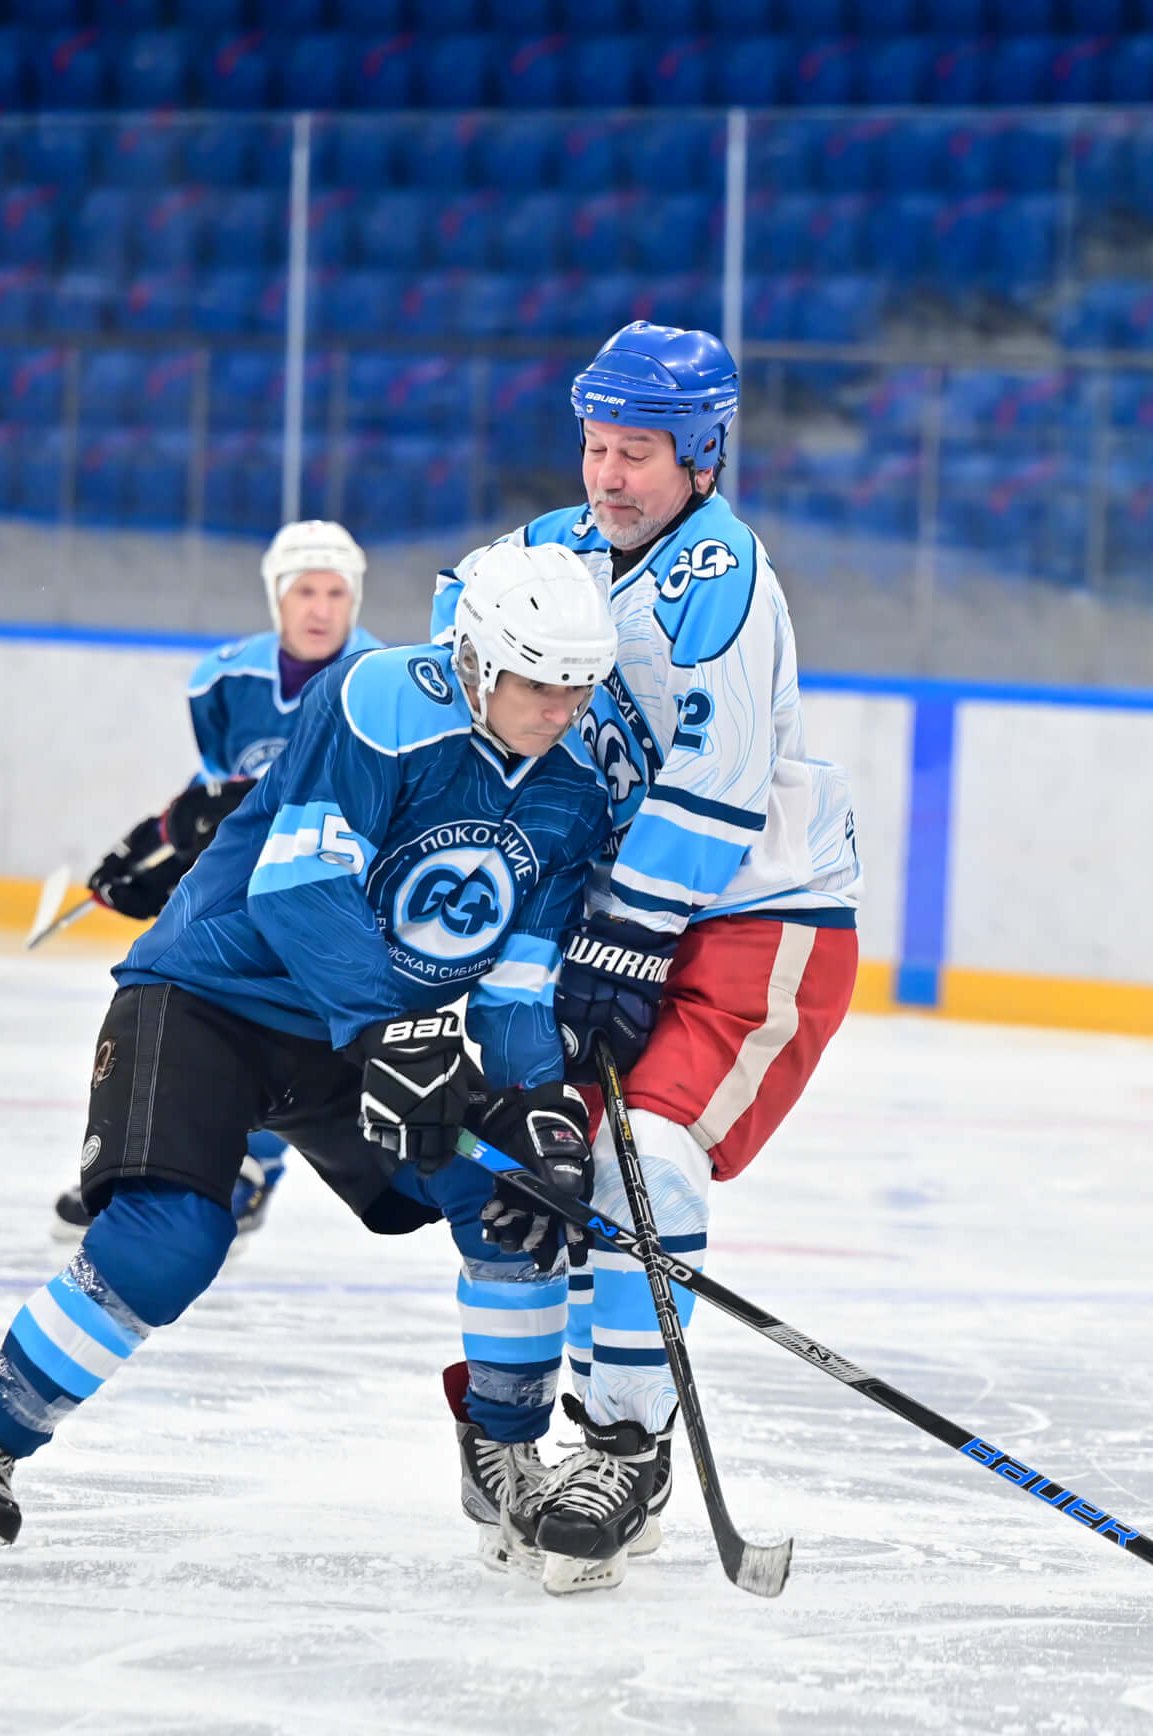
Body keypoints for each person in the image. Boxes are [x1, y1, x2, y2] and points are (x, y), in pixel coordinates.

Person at [0, 542, 622, 1575]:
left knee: (515, 1199)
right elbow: (297, 886)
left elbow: (514, 984)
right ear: (475, 662)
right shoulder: (379, 698)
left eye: (579, 685)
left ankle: (506, 1453)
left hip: (361, 1037)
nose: (563, 707)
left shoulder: (572, 791)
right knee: (172, 1239)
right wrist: (395, 1030)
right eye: (540, 682)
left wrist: (537, 1109)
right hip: (212, 998)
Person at [432, 322, 861, 1595]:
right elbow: (463, 609)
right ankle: (525, 1431)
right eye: (595, 446)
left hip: (758, 918)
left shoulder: (727, 581)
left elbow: (716, 789)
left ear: (703, 456)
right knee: (529, 1165)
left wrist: (622, 942)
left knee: (651, 1165)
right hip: (609, 915)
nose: (608, 475)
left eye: (639, 453)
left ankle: (626, 1448)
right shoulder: (558, 549)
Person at [53, 521, 387, 1247]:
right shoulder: (224, 679)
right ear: (277, 598)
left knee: (286, 1026)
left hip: (338, 889)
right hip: (249, 884)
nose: (321, 608)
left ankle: (250, 1169)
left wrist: (219, 811)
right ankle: (165, 1163)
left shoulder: (382, 681)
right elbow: (217, 788)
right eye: (305, 590)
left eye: (337, 592)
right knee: (193, 1000)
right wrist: (159, 843)